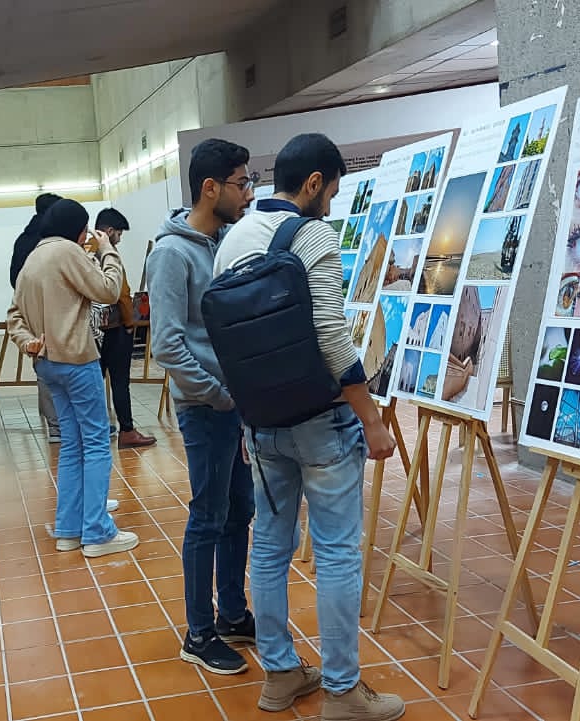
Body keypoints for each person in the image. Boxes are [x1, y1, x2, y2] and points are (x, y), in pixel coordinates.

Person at [214, 133, 402, 720]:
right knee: (338, 552)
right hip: (322, 421)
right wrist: (372, 419)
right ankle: (343, 693)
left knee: (270, 547)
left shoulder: (234, 237)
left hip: (262, 422)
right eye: (332, 192)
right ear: (315, 183)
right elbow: (331, 337)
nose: (331, 204)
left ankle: (280, 676)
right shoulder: (313, 235)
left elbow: (228, 340)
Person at [148, 139, 258, 675]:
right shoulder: (172, 253)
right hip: (206, 406)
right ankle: (198, 632)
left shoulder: (225, 243)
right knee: (208, 517)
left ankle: (233, 613)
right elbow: (167, 344)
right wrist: (217, 394)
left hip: (233, 403)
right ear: (210, 188)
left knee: (240, 510)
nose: (249, 193)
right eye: (242, 183)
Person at [8, 199, 138, 558]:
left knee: (72, 444)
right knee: (96, 443)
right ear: (78, 230)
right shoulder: (67, 252)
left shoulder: (33, 257)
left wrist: (27, 342)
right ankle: (96, 532)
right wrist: (109, 251)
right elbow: (108, 290)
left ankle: (68, 529)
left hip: (47, 362)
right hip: (77, 360)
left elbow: (14, 314)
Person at [92, 208, 156, 449]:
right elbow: (122, 293)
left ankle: (95, 431)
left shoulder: (83, 250)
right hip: (115, 327)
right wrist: (130, 324)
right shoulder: (108, 253)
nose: (119, 239)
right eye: (119, 234)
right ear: (109, 231)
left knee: (94, 382)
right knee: (120, 381)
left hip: (93, 329)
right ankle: (127, 431)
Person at [11, 193, 64, 442]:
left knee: (42, 362)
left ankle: (55, 425)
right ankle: (62, 424)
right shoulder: (51, 242)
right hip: (58, 308)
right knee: (63, 363)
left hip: (31, 309)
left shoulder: (24, 239)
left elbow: (14, 278)